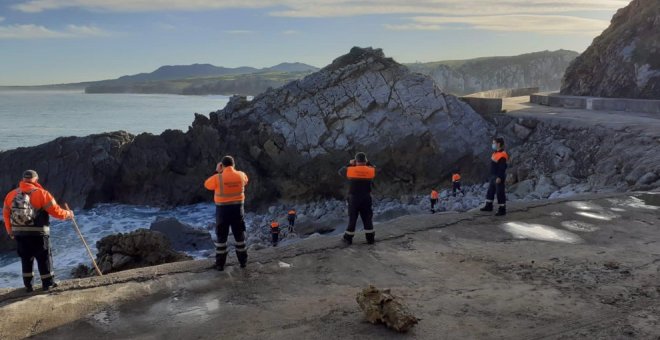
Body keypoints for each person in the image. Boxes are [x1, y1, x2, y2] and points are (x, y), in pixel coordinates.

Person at [3, 170, 73, 292]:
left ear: (23, 179)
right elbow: (56, 212)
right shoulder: (42, 194)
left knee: (26, 259)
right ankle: (48, 284)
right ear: (36, 179)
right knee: (43, 258)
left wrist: (10, 232)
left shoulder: (10, 195)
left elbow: (6, 215)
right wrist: (68, 214)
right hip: (38, 234)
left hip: (20, 234)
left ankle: (28, 286)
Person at [204, 156, 249, 271]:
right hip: (238, 210)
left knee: (221, 238)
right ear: (233, 165)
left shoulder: (217, 177)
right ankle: (243, 262)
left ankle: (220, 265)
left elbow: (207, 185)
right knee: (239, 236)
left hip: (222, 211)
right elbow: (246, 180)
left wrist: (217, 171)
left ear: (222, 166)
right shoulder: (241, 175)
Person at [337, 152, 376, 245]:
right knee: (367, 218)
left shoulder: (351, 170)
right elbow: (374, 168)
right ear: (365, 160)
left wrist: (350, 164)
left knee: (352, 218)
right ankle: (370, 239)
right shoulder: (370, 170)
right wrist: (368, 163)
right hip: (366, 197)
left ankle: (348, 238)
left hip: (354, 198)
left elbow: (340, 171)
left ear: (356, 161)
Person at [480, 137, 509, 216]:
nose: (492, 144)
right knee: (490, 191)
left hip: (498, 176)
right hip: (493, 176)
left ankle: (502, 209)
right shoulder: (495, 153)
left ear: (498, 144)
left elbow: (502, 167)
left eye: (493, 143)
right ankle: (489, 206)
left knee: (500, 192)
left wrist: (499, 177)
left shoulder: (502, 155)